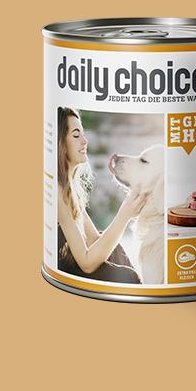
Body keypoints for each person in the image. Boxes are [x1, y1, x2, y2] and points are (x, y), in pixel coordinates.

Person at [52, 107, 149, 283]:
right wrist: (124, 215)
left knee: (115, 248)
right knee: (128, 277)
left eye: (83, 133)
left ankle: (144, 292)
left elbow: (94, 239)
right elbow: (87, 263)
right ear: (59, 142)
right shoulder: (56, 189)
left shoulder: (69, 187)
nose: (85, 141)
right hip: (63, 271)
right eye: (76, 135)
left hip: (74, 265)